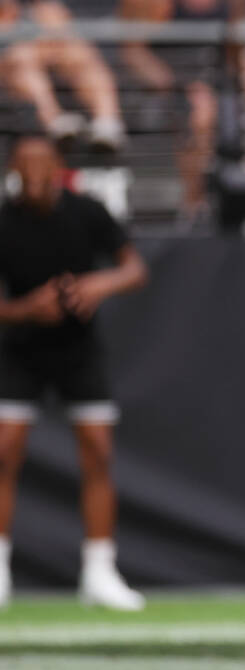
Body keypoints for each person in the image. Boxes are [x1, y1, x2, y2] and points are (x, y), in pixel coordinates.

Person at [0, 135, 148, 610]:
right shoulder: (4, 220)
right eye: (27, 167)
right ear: (15, 171)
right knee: (5, 450)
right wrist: (26, 309)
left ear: (60, 169)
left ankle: (99, 571)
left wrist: (94, 285)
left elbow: (133, 269)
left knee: (98, 452)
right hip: (19, 349)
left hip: (77, 348)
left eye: (45, 166)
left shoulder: (87, 211)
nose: (37, 177)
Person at [120, 0, 245, 223]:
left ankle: (243, 195)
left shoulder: (234, 4)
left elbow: (242, 50)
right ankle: (194, 209)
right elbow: (134, 53)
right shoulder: (156, 5)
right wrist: (176, 86)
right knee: (203, 113)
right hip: (167, 94)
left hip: (221, 90)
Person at [0, 0, 126, 151]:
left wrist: (46, 47)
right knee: (22, 61)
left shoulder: (45, 7)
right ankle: (55, 122)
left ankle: (106, 125)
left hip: (49, 57)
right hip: (15, 66)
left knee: (81, 55)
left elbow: (61, 33)